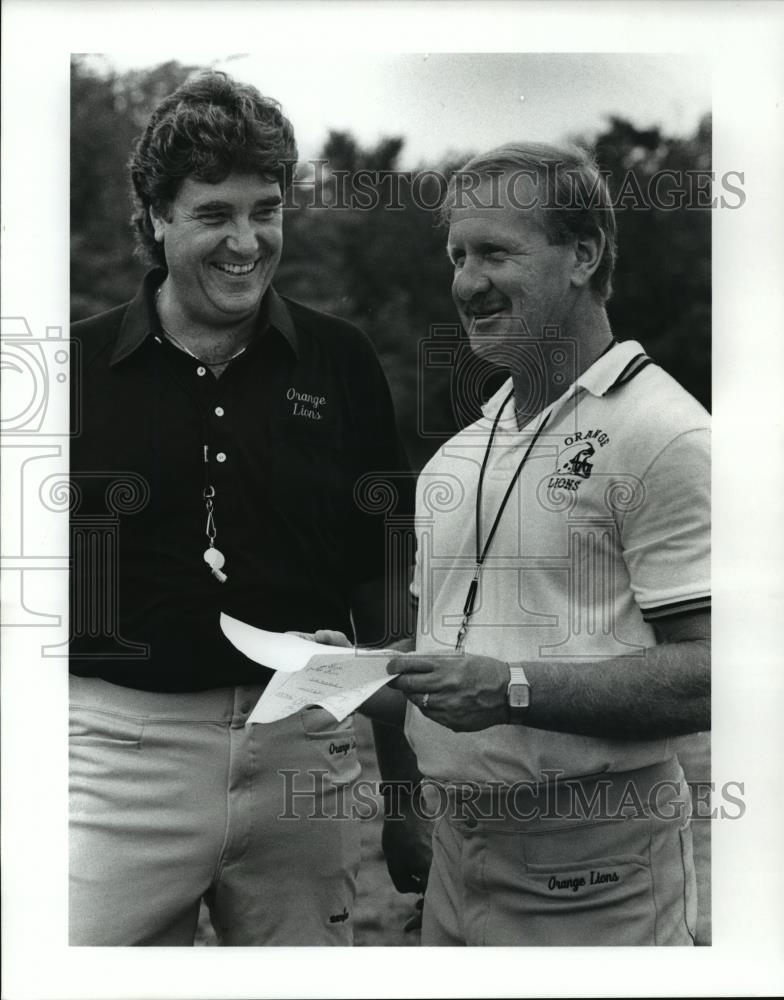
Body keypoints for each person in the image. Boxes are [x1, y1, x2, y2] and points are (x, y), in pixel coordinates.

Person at [68, 71, 412, 946]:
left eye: (267, 210)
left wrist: (409, 792)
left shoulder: (341, 363)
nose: (247, 242)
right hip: (114, 755)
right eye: (215, 213)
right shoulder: (68, 369)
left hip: (305, 747)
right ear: (154, 215)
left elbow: (385, 588)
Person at [358, 142, 711, 945]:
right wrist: (350, 673)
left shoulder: (664, 433)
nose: (466, 282)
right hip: (456, 862)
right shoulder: (460, 452)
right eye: (456, 255)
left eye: (494, 253)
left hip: (600, 874)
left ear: (583, 254)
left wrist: (511, 688)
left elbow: (721, 671)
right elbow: (451, 663)